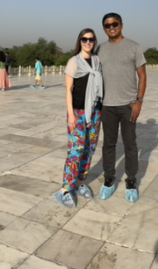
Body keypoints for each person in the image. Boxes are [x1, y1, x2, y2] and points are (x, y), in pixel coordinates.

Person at [95, 13, 147, 203]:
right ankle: (109, 180)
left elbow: (142, 75)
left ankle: (131, 181)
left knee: (130, 145)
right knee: (108, 145)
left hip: (127, 105)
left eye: (114, 24)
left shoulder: (134, 47)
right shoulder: (99, 49)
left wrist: (139, 101)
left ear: (122, 26)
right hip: (107, 105)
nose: (111, 28)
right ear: (104, 29)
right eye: (107, 26)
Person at [54, 29, 104, 209]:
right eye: (85, 39)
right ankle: (66, 189)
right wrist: (71, 115)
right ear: (80, 41)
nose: (88, 42)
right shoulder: (74, 62)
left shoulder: (97, 61)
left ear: (95, 41)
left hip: (95, 112)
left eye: (91, 39)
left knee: (89, 150)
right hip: (78, 112)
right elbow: (68, 90)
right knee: (76, 150)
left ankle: (79, 181)